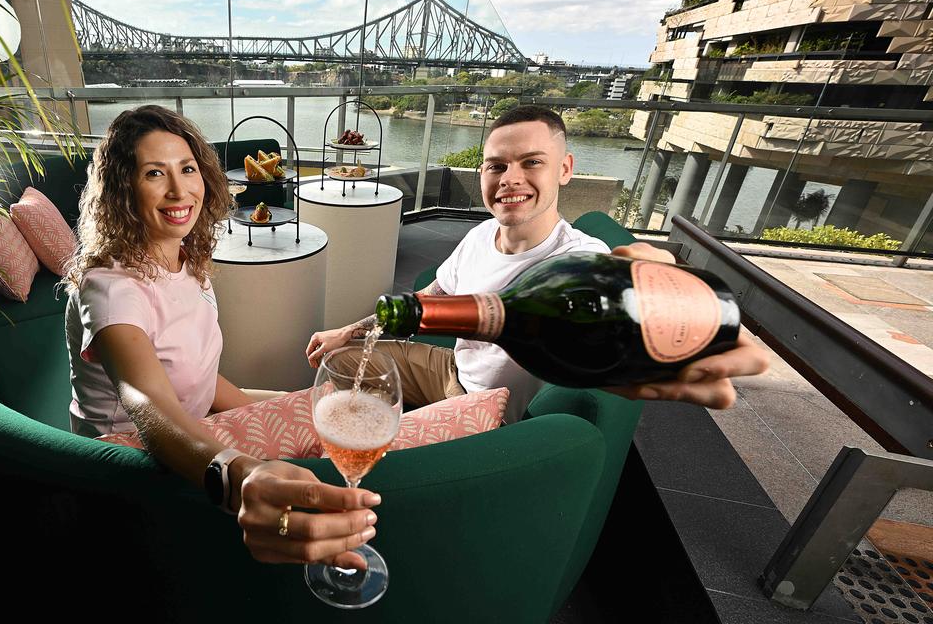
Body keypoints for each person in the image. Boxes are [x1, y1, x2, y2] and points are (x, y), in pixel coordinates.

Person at [64, 104, 378, 570]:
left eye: (187, 168)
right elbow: (149, 408)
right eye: (154, 173)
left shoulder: (185, 260)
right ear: (122, 189)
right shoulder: (112, 288)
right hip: (130, 453)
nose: (179, 189)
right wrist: (239, 477)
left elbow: (202, 383)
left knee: (328, 406)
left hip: (194, 425)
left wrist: (288, 404)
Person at [307, 105, 768, 415]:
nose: (510, 179)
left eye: (531, 163)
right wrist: (346, 331)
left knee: (365, 434)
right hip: (452, 370)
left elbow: (625, 303)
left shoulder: (581, 260)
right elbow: (426, 299)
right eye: (496, 165)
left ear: (564, 169)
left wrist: (670, 304)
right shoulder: (482, 233)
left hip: (493, 408)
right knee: (343, 360)